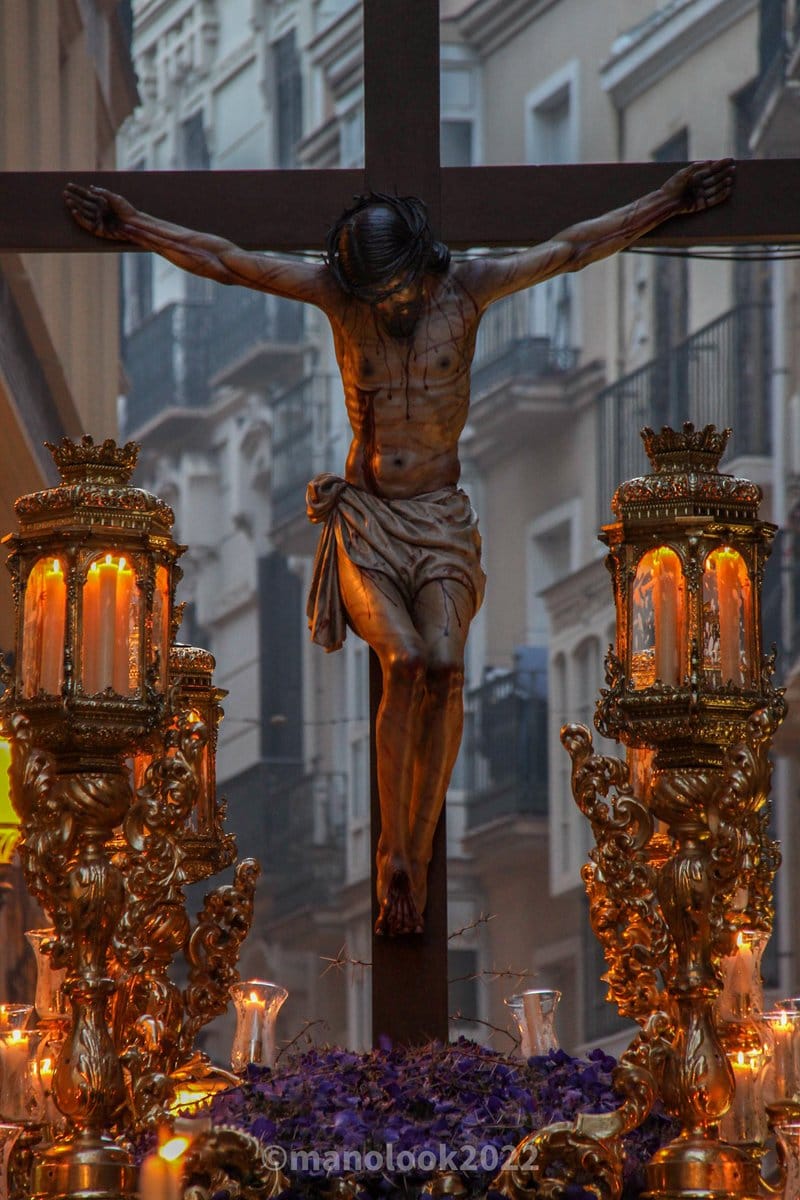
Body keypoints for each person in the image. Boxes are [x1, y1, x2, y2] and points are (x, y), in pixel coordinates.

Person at [64, 159, 735, 936]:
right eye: (378, 298)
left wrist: (668, 200)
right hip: (370, 522)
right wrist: (132, 224)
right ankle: (395, 857)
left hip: (442, 518)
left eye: (402, 292)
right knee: (406, 663)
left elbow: (575, 247)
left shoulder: (473, 290)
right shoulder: (336, 299)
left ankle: (413, 848)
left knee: (446, 670)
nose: (394, 308)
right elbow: (226, 259)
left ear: (425, 267)